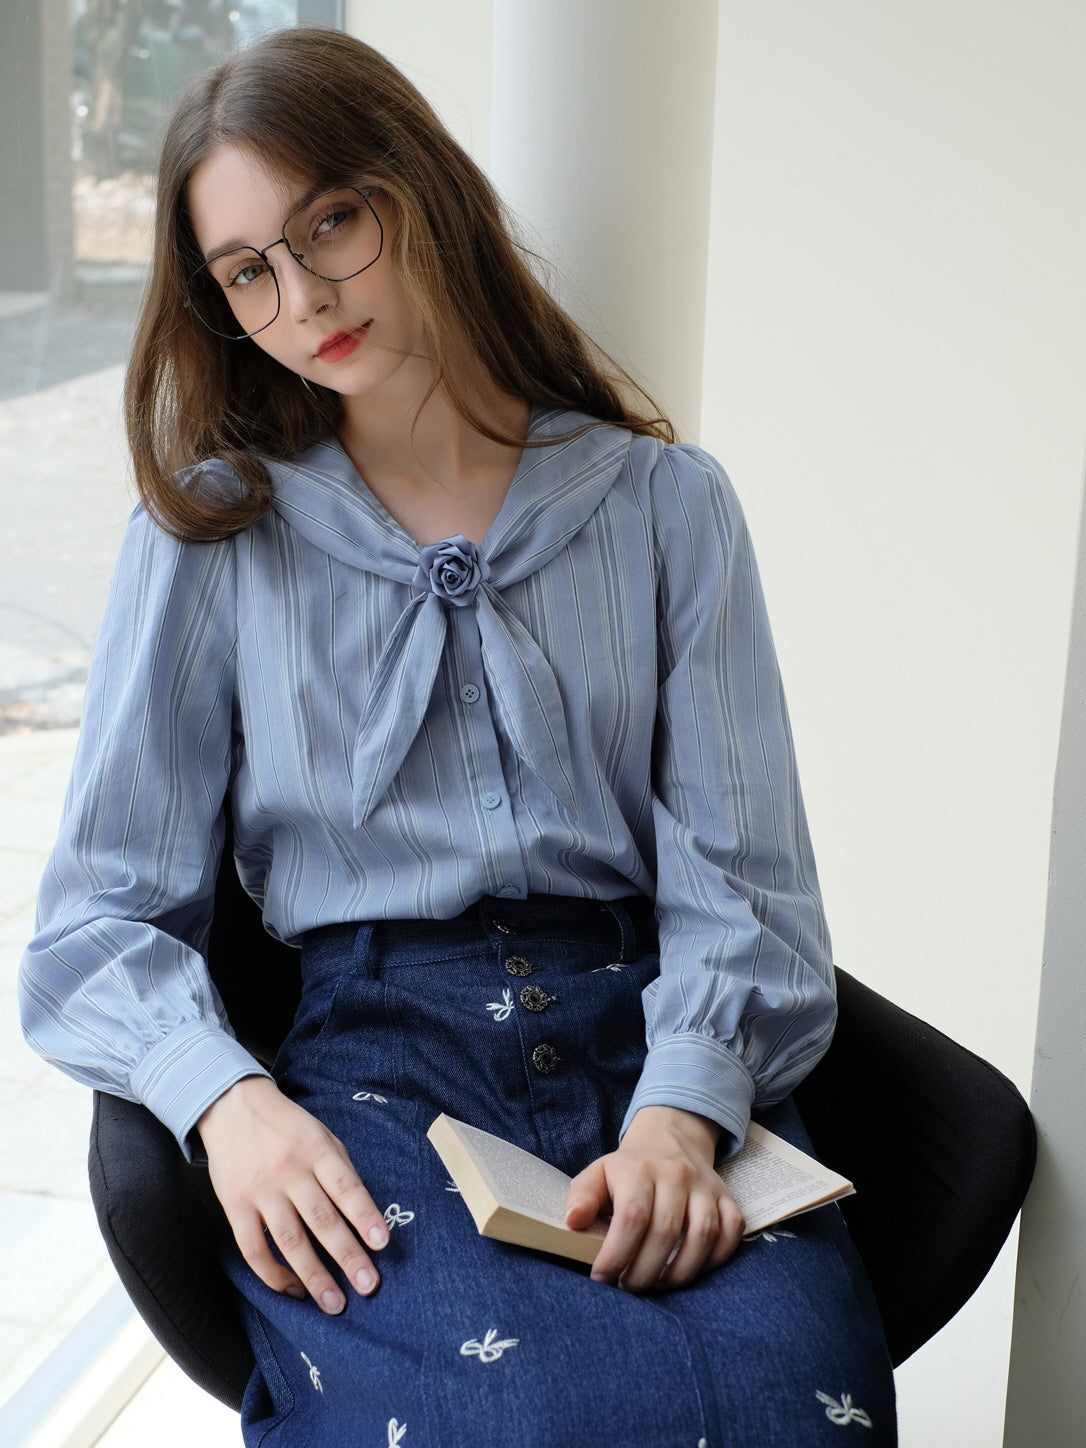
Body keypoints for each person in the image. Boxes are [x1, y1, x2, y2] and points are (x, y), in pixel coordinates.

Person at [20, 27, 896, 1447]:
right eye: (249, 270)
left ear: (415, 191)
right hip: (374, 1073)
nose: (302, 297)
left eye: (331, 225)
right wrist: (226, 1104)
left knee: (789, 1411)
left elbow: (743, 882)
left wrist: (681, 1116)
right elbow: (93, 920)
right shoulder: (210, 537)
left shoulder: (666, 510)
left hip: (647, 1049)